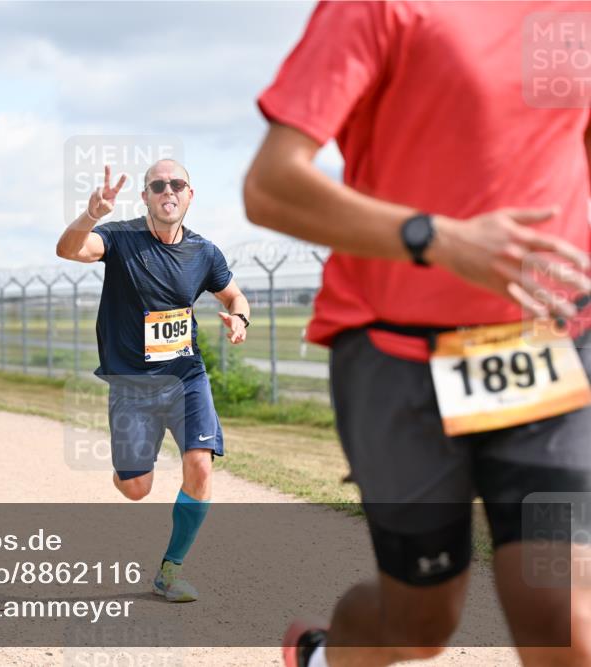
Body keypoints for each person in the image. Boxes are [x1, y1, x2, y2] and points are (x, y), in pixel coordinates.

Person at [243, 3, 591, 666]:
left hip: (545, 348)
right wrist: (436, 238)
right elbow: (269, 186)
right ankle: (322, 656)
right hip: (397, 358)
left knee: (564, 614)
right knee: (419, 622)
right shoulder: (377, 9)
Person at [56, 161, 251, 602]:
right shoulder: (120, 238)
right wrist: (91, 215)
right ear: (145, 196)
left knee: (200, 464)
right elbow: (69, 250)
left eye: (176, 184)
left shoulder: (204, 252)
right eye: (158, 185)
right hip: (132, 386)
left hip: (186, 377)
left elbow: (235, 294)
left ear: (189, 194)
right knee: (135, 488)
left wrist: (239, 319)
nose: (168, 190)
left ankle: (170, 570)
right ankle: (129, 465)